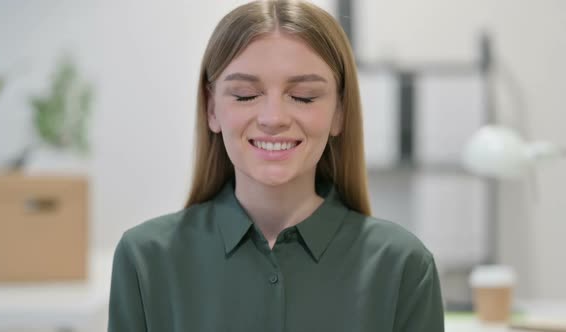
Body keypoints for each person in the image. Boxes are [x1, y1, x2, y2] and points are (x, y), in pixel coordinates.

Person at [108, 1, 445, 331]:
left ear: (339, 112)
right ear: (212, 109)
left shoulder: (403, 267)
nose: (273, 119)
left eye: (303, 97)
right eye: (244, 95)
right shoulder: (145, 260)